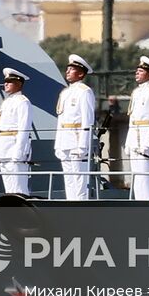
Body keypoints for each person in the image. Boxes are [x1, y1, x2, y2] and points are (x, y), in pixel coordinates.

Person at [55, 54, 95, 201]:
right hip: (65, 141)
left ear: (80, 73)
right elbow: (61, 121)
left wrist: (83, 146)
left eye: (71, 69)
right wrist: (57, 145)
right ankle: (70, 205)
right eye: (68, 68)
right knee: (69, 180)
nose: (67, 71)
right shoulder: (65, 93)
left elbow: (87, 120)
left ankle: (80, 206)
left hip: (77, 141)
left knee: (79, 180)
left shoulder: (84, 92)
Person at [125, 56, 149, 200]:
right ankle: (139, 204)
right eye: (137, 71)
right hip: (134, 140)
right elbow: (132, 121)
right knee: (137, 179)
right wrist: (129, 143)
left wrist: (147, 143)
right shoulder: (136, 92)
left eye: (140, 71)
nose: (137, 73)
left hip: (145, 141)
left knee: (146, 178)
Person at [0, 68, 32, 195]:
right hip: (4, 149)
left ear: (19, 84)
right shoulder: (6, 102)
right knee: (9, 189)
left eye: (9, 81)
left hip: (14, 149)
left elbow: (24, 128)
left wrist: (19, 152)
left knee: (18, 188)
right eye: (5, 81)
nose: (6, 84)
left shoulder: (23, 102)